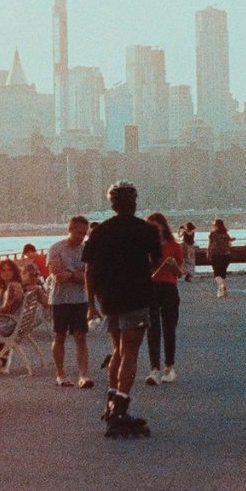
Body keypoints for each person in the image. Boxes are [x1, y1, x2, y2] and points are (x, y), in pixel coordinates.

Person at [82, 181, 162, 437]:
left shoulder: (100, 231)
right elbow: (156, 261)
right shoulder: (146, 230)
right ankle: (120, 409)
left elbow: (89, 270)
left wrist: (91, 305)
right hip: (136, 297)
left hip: (109, 299)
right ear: (134, 203)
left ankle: (111, 403)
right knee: (130, 352)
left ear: (112, 204)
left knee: (117, 349)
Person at [46, 215, 96, 389]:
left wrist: (71, 274)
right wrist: (78, 275)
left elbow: (89, 278)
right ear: (70, 230)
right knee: (59, 336)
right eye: (79, 232)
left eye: (84, 233)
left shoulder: (87, 250)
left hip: (80, 299)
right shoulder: (56, 248)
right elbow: (57, 275)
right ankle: (61, 374)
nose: (82, 236)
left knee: (81, 337)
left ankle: (83, 375)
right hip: (60, 300)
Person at [144, 212, 183, 386]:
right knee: (152, 328)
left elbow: (179, 273)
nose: (155, 229)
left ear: (163, 226)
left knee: (169, 328)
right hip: (151, 288)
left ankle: (169, 366)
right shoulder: (145, 247)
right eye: (151, 226)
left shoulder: (174, 246)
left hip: (169, 288)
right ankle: (154, 369)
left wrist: (172, 266)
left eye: (157, 225)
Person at [0, 258, 24, 340]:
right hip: (11, 323)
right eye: (3, 270)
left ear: (14, 271)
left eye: (9, 270)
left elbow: (6, 309)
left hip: (6, 326)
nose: (6, 273)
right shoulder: (12, 285)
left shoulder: (12, 286)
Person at [207, 219, 234, 298]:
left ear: (216, 225)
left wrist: (208, 252)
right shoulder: (226, 234)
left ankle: (221, 286)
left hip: (215, 255)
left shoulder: (212, 234)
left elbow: (210, 244)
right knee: (222, 274)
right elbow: (229, 244)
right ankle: (222, 292)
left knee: (217, 274)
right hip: (226, 255)